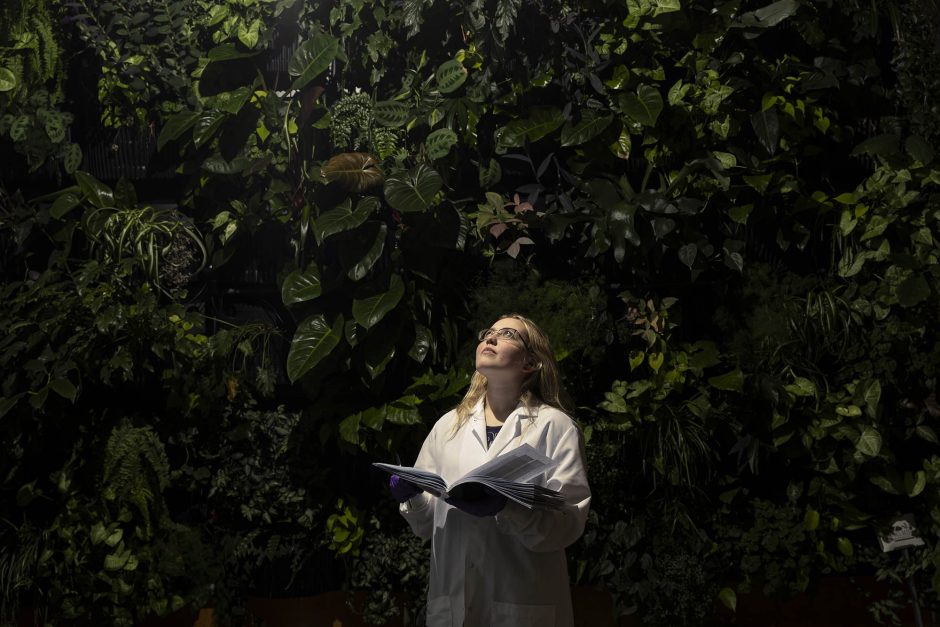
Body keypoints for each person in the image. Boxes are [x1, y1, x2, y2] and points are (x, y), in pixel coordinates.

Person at [388, 314, 591, 627]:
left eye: (507, 333)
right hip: (452, 608)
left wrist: (508, 508)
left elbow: (569, 523)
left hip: (521, 605)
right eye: (488, 333)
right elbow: (427, 527)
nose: (490, 338)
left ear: (531, 362)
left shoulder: (554, 427)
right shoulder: (448, 427)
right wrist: (413, 498)